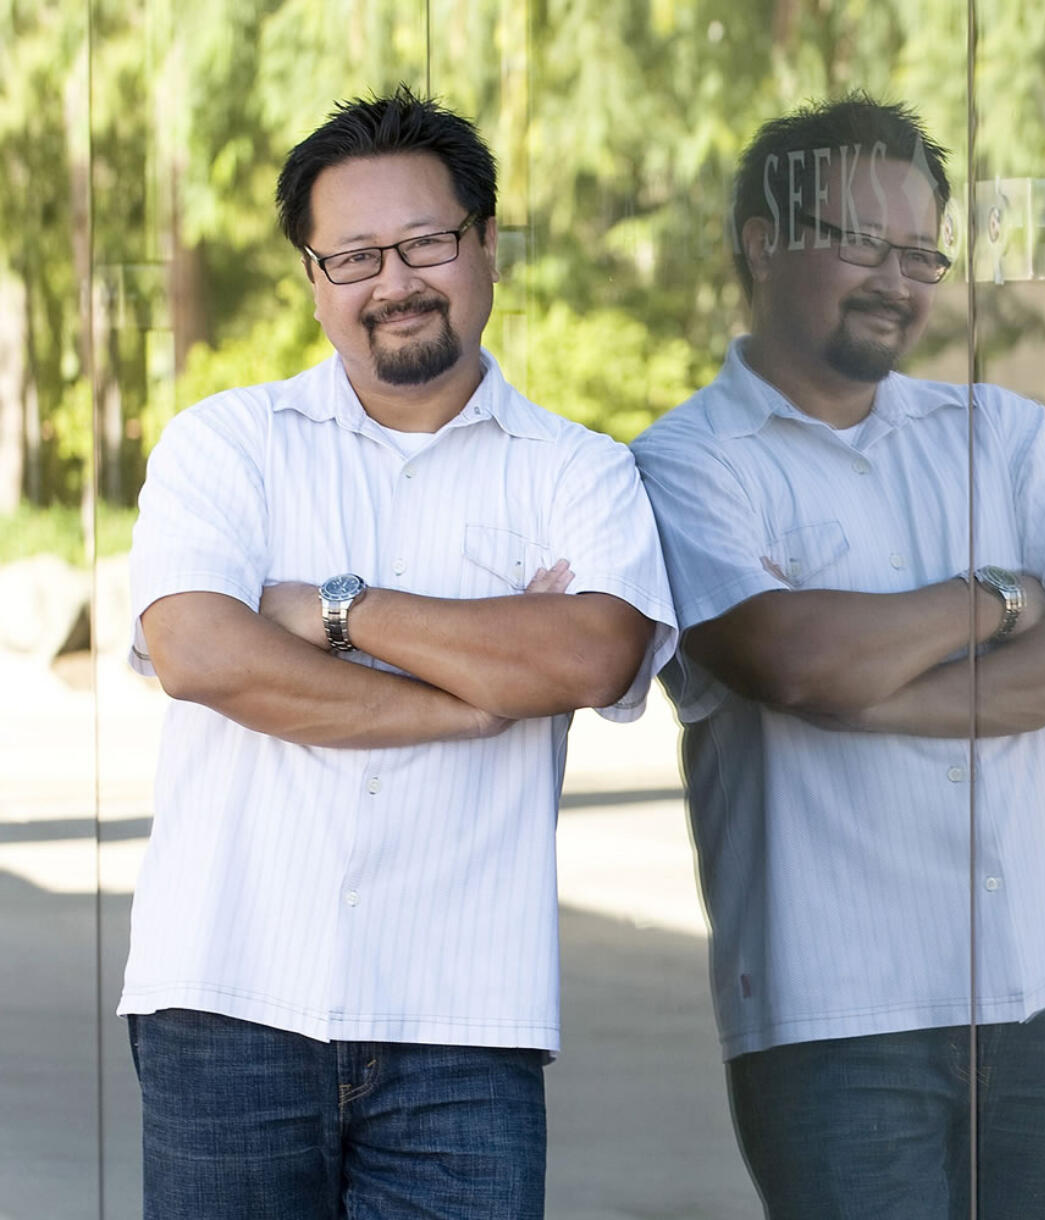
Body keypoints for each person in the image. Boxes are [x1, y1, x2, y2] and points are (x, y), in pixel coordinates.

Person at [121, 85, 676, 1219]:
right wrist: (474, 695)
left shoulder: (577, 471)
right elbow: (201, 653)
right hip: (225, 1001)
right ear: (314, 281)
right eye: (354, 256)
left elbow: (593, 654)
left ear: (484, 249)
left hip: (463, 1024)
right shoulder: (226, 445)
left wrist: (337, 609)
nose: (394, 280)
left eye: (426, 241)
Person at [631, 95, 1045, 1219]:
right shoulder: (683, 464)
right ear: (763, 238)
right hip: (833, 1007)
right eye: (861, 242)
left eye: (920, 252)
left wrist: (882, 679)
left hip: (1042, 982)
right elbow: (795, 657)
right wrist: (1003, 598)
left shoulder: (999, 434)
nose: (897, 279)